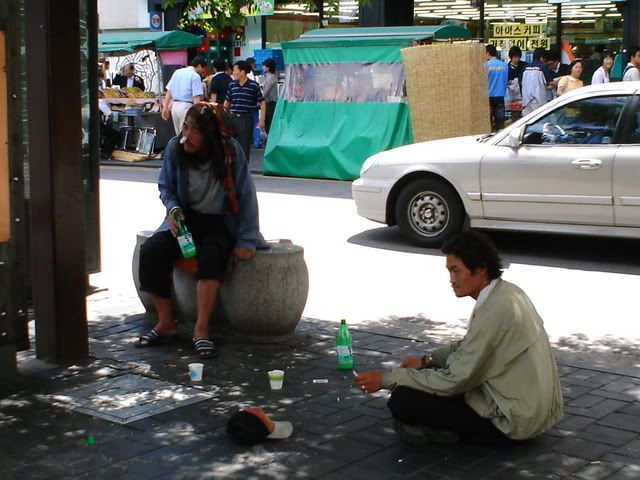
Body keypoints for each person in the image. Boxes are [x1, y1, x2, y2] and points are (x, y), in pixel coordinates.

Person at [355, 231, 563, 445]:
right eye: (449, 271)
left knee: (403, 399)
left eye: (456, 271)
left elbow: (455, 380)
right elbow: (470, 346)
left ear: (481, 269)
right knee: (424, 376)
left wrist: (386, 379)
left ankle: (450, 434)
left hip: (513, 422)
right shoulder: (508, 293)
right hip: (533, 412)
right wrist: (427, 361)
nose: (451, 280)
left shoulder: (495, 309)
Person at [135, 103, 264, 359]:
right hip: (186, 219)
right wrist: (172, 209)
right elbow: (166, 187)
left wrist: (247, 239)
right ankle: (165, 323)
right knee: (151, 252)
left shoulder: (230, 153)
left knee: (212, 257)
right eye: (185, 127)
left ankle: (201, 329)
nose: (187, 135)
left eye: (195, 130)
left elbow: (246, 195)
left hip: (219, 220)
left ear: (210, 136)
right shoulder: (175, 147)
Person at [224, 60, 266, 162]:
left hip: (245, 119)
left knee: (244, 147)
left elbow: (262, 102)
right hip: (232, 117)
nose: (233, 73)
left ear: (242, 72)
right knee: (229, 145)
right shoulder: (232, 85)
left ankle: (243, 172)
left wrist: (262, 120)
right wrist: (222, 115)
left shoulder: (253, 85)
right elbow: (227, 102)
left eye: (234, 70)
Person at [161, 56, 207, 137]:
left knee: (178, 134)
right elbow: (196, 97)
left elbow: (169, 92)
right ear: (199, 66)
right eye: (203, 68)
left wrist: (165, 108)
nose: (203, 71)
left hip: (174, 106)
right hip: (186, 107)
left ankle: (179, 148)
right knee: (186, 135)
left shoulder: (177, 72)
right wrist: (198, 113)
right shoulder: (195, 76)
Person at [521, 48, 552, 116]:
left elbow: (520, 83)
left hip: (526, 101)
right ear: (541, 58)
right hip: (539, 101)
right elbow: (550, 82)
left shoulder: (524, 68)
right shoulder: (542, 67)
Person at [485, 45, 508, 131]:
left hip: (488, 97)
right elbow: (505, 81)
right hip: (500, 97)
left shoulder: (485, 65)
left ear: (487, 53)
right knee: (500, 125)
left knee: (487, 124)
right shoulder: (505, 66)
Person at [261, 58, 278, 135]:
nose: (262, 67)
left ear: (268, 67)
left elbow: (266, 92)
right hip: (267, 102)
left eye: (264, 66)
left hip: (270, 102)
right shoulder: (268, 77)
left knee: (270, 122)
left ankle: (271, 137)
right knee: (267, 121)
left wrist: (259, 98)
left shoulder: (271, 77)